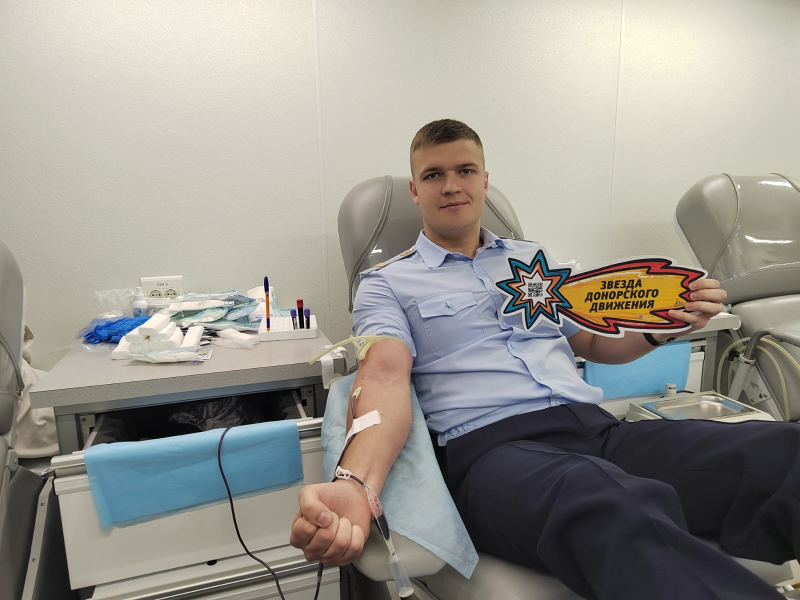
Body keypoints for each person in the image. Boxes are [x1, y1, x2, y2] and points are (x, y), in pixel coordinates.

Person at [291, 119, 799, 599]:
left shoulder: (534, 262)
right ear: (415, 190)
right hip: (491, 454)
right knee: (605, 501)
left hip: (598, 432)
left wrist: (663, 328)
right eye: (433, 175)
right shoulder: (387, 284)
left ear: (484, 181)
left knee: (778, 449)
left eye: (465, 170)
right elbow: (384, 374)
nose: (451, 186)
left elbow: (594, 344)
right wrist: (355, 484)